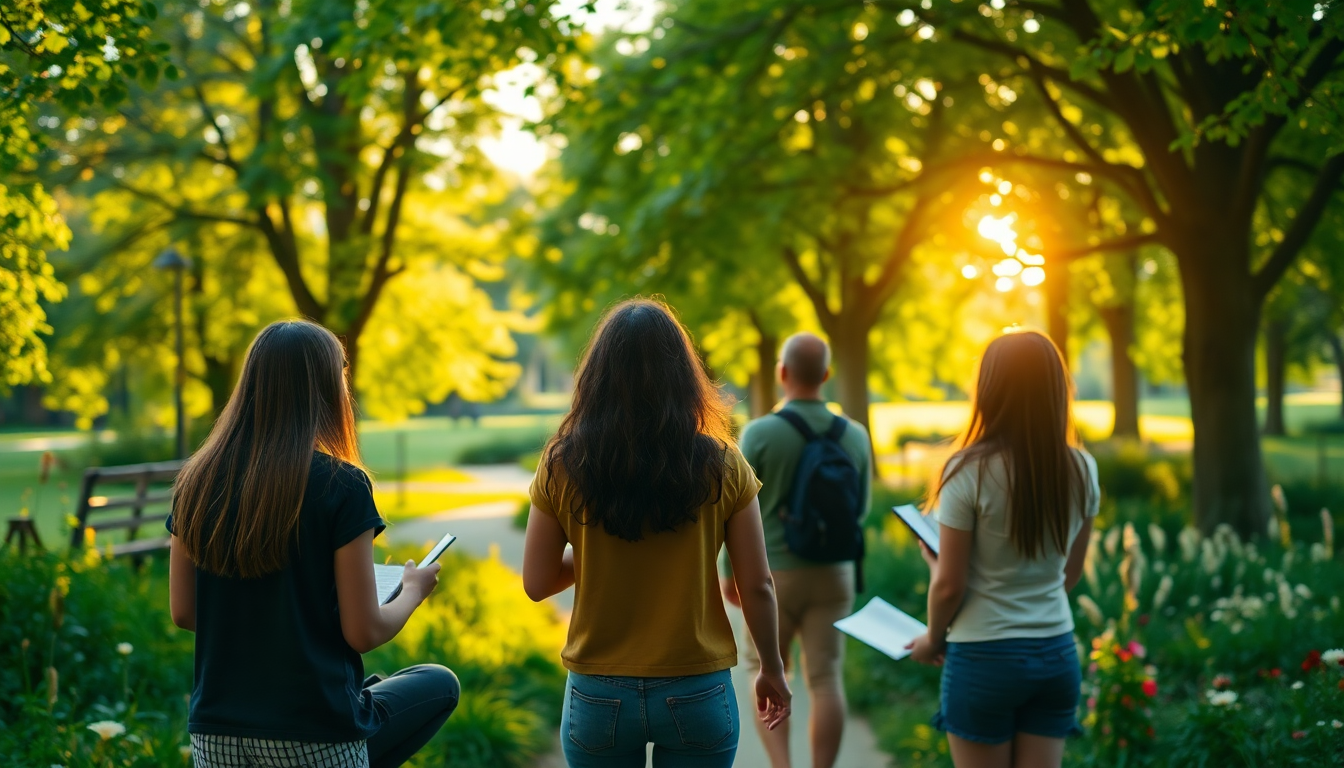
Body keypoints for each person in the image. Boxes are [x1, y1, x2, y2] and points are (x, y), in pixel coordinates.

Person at [167, 320, 460, 768]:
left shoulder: (197, 481)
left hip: (215, 736)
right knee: (439, 683)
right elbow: (363, 632)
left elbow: (185, 612)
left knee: (369, 695)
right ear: (326, 388)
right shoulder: (342, 485)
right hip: (314, 735)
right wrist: (413, 591)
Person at [521, 298, 792, 767]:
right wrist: (771, 667)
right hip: (697, 687)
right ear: (683, 377)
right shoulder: (724, 464)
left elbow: (537, 581)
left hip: (597, 693)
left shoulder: (562, 463)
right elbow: (757, 584)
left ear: (597, 378)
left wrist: (594, 554)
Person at [906, 330, 1100, 768]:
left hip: (984, 658)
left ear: (988, 389)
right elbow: (1069, 575)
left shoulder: (966, 470)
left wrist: (931, 639)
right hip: (1056, 653)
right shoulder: (1082, 468)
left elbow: (950, 585)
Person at [719, 332, 871, 768]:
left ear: (782, 372)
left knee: (765, 669)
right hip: (835, 573)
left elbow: (733, 510)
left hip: (774, 576)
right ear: (826, 374)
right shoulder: (855, 435)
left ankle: (782, 765)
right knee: (825, 678)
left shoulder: (760, 433)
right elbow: (860, 509)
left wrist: (729, 572)